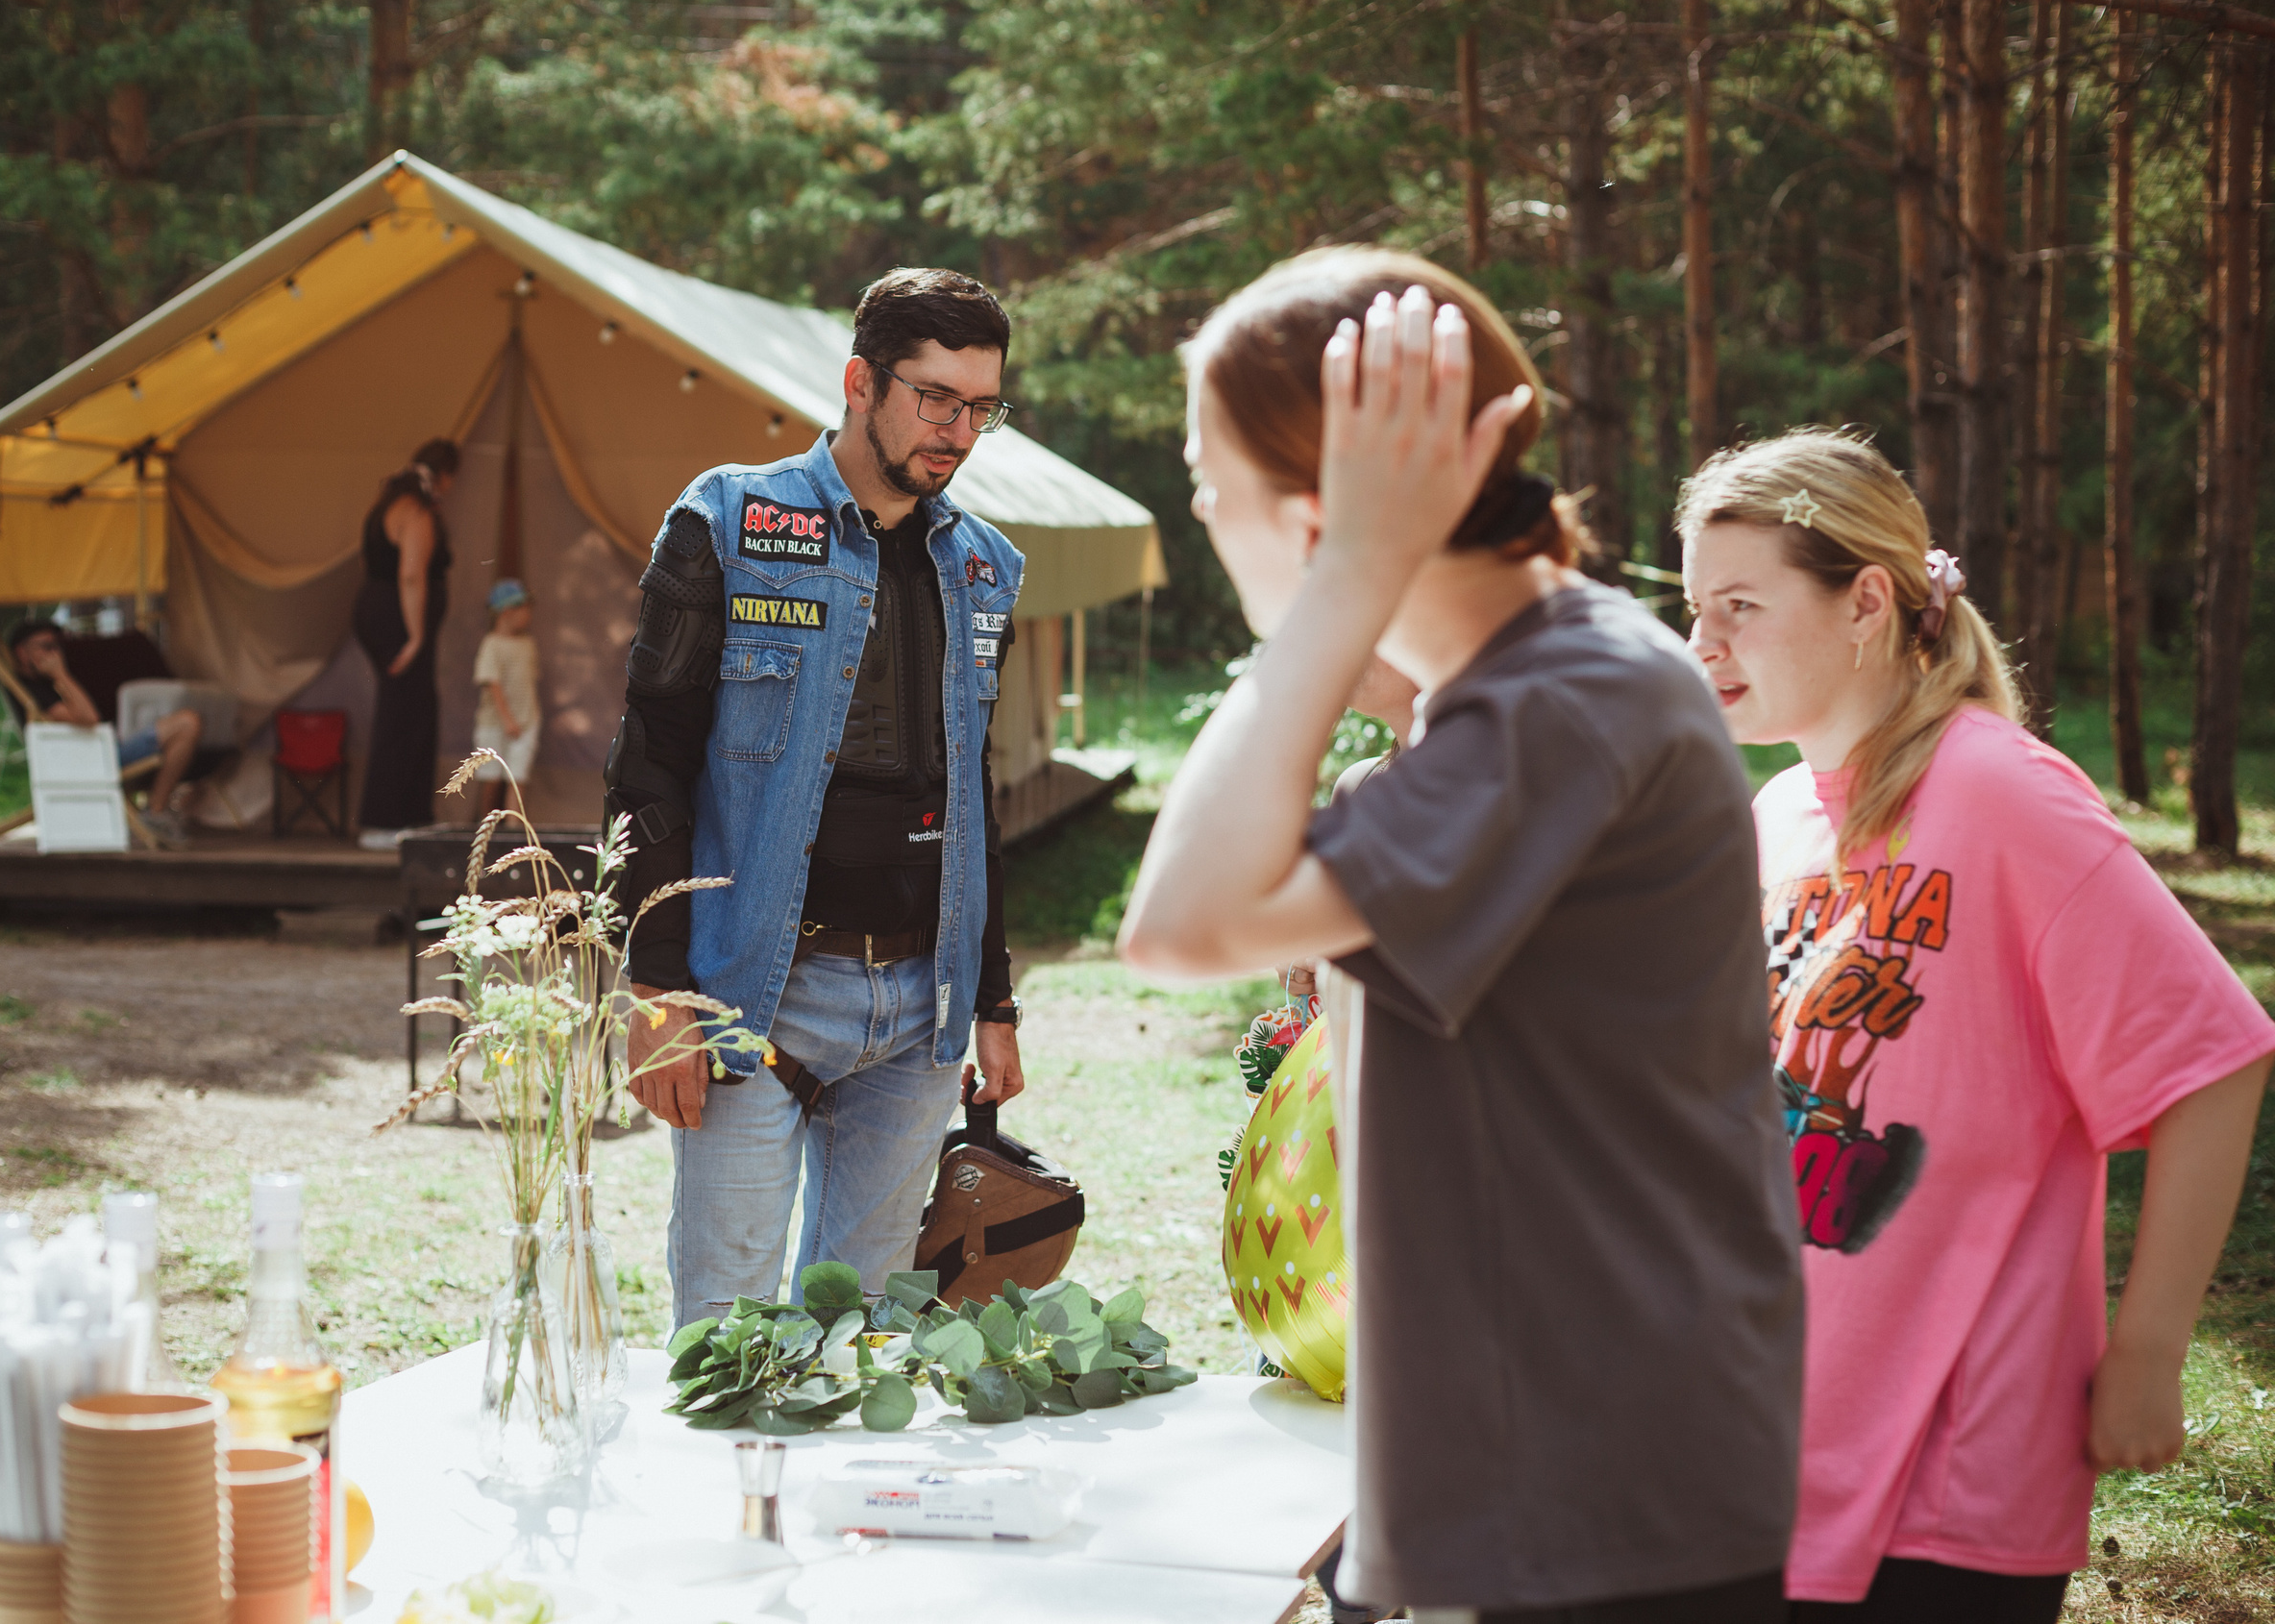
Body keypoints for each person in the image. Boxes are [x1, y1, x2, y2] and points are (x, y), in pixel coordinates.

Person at [1119, 248, 1803, 1624]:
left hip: (1597, 1515)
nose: (1199, 511)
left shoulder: (1571, 696)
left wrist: (1345, 579)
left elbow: (1182, 923)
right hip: (1538, 1486)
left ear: (1318, 511)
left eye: (1210, 485)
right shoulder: (1512, 698)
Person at [1680, 429, 2275, 1623]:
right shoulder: (1782, 813)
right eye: (1696, 608)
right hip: (1774, 1444)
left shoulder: (2000, 792)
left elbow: (2215, 1057)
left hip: (1948, 1479)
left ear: (1866, 603)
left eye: (1740, 605)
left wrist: (2147, 1350)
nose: (1704, 643)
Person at [605, 268, 1031, 1331]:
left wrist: (993, 1000)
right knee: (730, 1338)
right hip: (757, 990)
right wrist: (654, 988)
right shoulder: (730, 520)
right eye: (936, 399)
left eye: (981, 407)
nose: (959, 432)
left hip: (920, 1012)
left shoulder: (986, 566)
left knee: (864, 1335)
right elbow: (648, 759)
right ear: (859, 381)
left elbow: (972, 789)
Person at [7, 618, 202, 846]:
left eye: (57, 646)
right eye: (47, 646)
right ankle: (156, 812)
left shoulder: (45, 681)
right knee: (187, 723)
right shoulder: (33, 691)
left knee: (189, 720)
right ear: (22, 653)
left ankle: (157, 809)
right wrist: (61, 674)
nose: (55, 654)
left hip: (102, 747)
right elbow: (89, 718)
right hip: (94, 758)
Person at [354, 439, 458, 849]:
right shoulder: (415, 511)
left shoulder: (391, 503)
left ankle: (412, 815)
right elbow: (411, 574)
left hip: (388, 615)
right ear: (445, 475)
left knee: (414, 711)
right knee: (402, 714)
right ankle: (383, 821)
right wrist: (415, 636)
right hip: (398, 620)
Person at [470, 579, 539, 821]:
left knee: (517, 779)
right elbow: (492, 684)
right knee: (491, 777)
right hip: (495, 723)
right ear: (507, 612)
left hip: (526, 721)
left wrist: (524, 718)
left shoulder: (527, 645)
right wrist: (507, 719)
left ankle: (513, 834)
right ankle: (484, 831)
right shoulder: (492, 645)